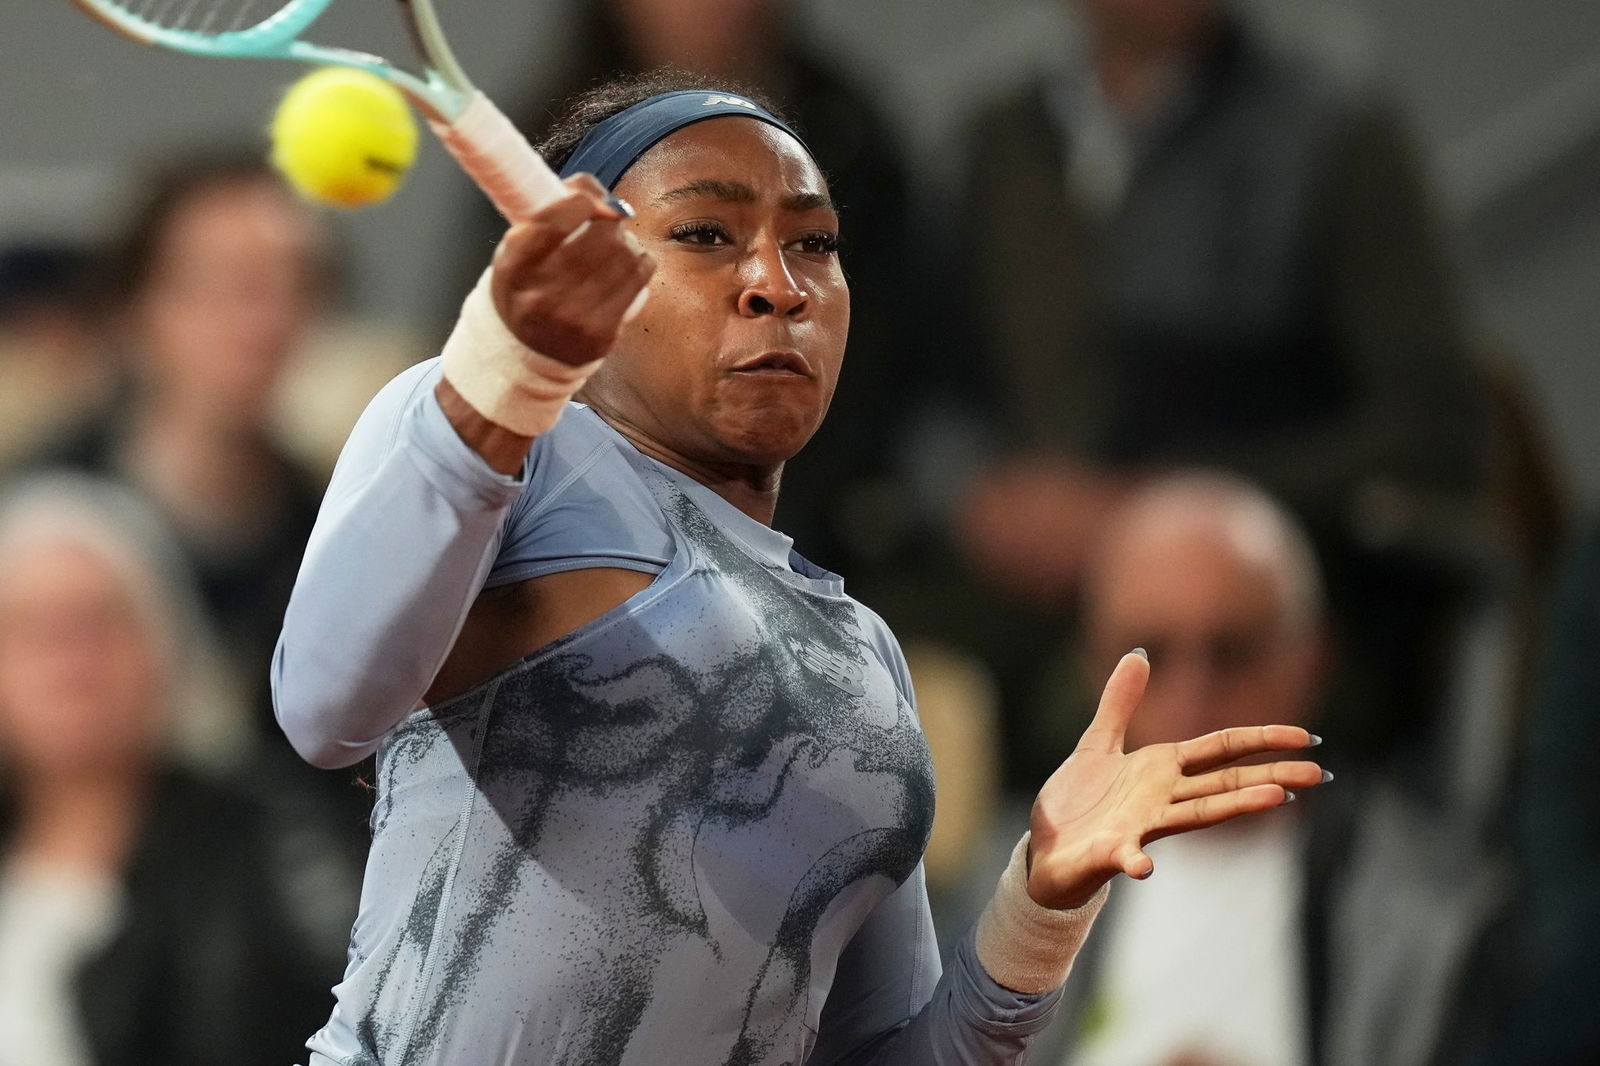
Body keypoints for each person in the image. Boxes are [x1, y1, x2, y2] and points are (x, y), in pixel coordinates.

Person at [274, 72, 1327, 1065]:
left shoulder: (860, 657)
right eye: (705, 234)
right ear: (590, 273)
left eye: (814, 244)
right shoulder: (501, 436)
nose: (776, 284)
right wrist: (504, 365)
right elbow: (327, 707)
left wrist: (1038, 904)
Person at [944, 0, 1494, 785]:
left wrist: (1163, 511)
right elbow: (930, 387)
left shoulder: (1334, 130)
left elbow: (1438, 428)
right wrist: (979, 496)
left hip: (1271, 599)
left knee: (1156, 696)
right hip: (1037, 608)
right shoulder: (999, 139)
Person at [1024, 473, 1510, 1066]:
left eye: (1233, 651)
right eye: (1149, 655)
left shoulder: (1433, 915)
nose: (1193, 696)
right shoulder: (1001, 889)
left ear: (1312, 658)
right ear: (1094, 666)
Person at [0, 476, 356, 1066]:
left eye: (100, 620)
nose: (70, 657)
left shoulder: (271, 847)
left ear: (167, 642)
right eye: (33, 628)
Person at [29, 152, 333, 741]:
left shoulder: (337, 522)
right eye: (228, 284)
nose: (265, 321)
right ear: (137, 308)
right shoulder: (38, 524)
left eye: (294, 284)